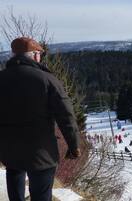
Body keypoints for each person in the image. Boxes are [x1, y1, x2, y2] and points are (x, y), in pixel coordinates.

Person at [0, 37, 81, 201]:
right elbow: (66, 116)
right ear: (35, 55)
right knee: (41, 195)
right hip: (41, 152)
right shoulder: (47, 79)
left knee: (15, 181)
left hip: (9, 149)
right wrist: (74, 146)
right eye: (39, 54)